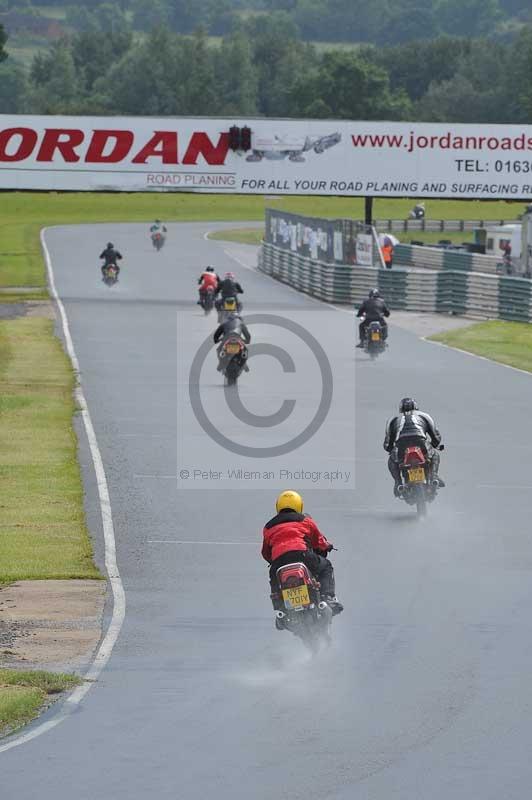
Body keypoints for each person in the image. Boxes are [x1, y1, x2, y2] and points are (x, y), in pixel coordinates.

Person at [262, 490, 343, 628]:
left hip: (279, 561)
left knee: (275, 581)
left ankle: (281, 611)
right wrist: (327, 546)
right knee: (326, 566)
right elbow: (319, 541)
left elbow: (265, 552)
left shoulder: (268, 527)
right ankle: (328, 597)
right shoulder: (305, 521)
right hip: (302, 555)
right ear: (299, 505)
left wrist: (275, 560)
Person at [383, 398, 445, 496]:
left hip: (401, 444)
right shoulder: (424, 415)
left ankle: (398, 483)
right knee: (435, 455)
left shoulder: (393, 419)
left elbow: (387, 444)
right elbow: (436, 435)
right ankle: (434, 476)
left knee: (392, 460)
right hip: (420, 441)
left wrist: (391, 450)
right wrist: (434, 445)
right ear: (416, 407)